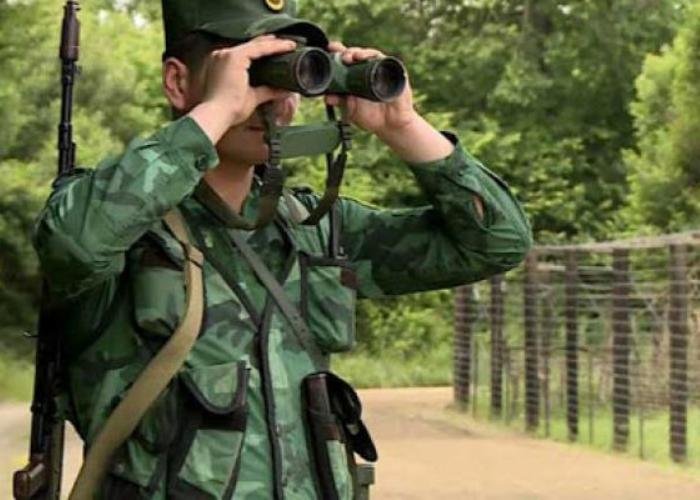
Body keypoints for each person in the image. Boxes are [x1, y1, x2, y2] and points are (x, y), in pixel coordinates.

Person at [33, 0, 532, 498]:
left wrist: (401, 126)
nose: (272, 102)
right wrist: (218, 110)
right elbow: (74, 246)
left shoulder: (312, 227)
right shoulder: (120, 222)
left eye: (288, 78)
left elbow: (496, 242)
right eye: (251, 72)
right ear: (178, 82)